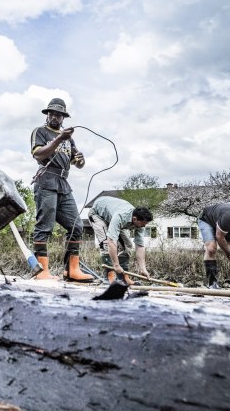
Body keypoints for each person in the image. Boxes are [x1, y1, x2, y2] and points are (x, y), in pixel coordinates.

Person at [30, 97, 93, 282]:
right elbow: (38, 154)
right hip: (46, 181)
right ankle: (42, 271)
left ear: (64, 117)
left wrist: (80, 159)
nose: (55, 117)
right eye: (52, 113)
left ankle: (71, 270)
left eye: (59, 114)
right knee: (45, 227)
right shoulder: (40, 132)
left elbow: (78, 164)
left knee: (77, 226)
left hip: (63, 184)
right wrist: (58, 138)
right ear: (47, 114)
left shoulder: (69, 138)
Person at [87, 196, 154, 285]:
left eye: (146, 224)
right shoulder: (120, 217)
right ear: (135, 219)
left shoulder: (140, 222)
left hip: (112, 214)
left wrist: (143, 269)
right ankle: (109, 277)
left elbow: (140, 246)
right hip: (97, 214)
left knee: (128, 245)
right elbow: (111, 241)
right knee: (106, 244)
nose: (144, 226)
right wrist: (116, 265)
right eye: (143, 223)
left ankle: (123, 278)